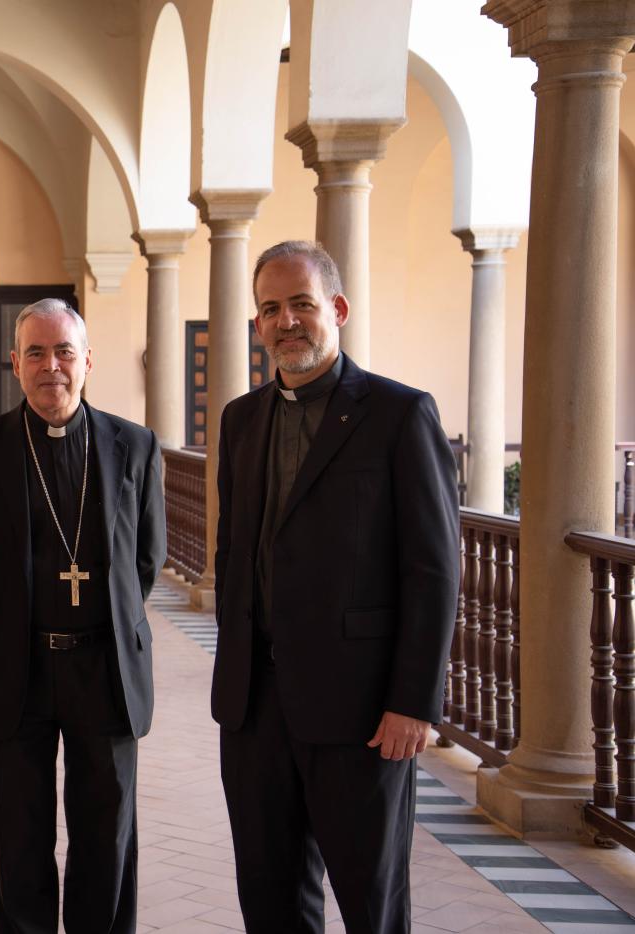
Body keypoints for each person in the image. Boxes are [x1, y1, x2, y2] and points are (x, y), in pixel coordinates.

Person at [212, 240, 460, 932]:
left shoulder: (398, 415)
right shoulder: (241, 419)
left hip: (362, 713)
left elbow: (434, 570)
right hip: (255, 707)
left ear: (337, 310)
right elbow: (237, 550)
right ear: (256, 324)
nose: (286, 321)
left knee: (371, 904)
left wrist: (414, 701)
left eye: (301, 304)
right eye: (270, 309)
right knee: (270, 899)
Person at [0, 298, 166, 934]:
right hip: (17, 667)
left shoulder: (135, 446)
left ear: (87, 361)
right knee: (18, 839)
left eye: (64, 351)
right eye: (35, 352)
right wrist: (4, 629)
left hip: (105, 668)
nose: (51, 365)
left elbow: (146, 559)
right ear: (14, 363)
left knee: (106, 837)